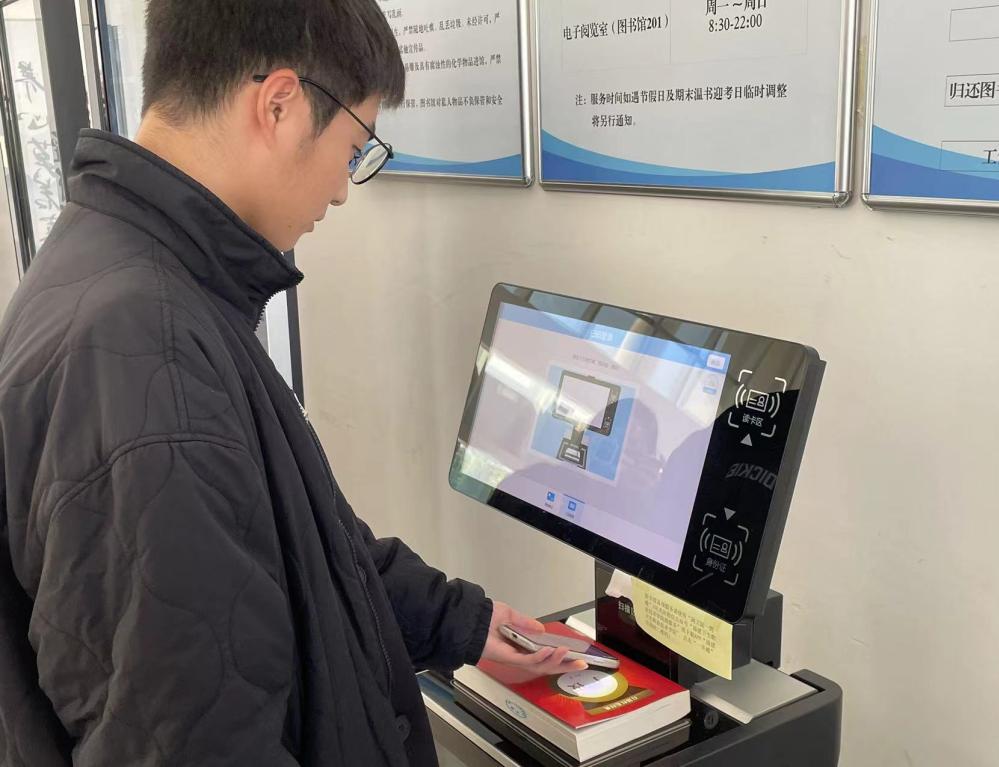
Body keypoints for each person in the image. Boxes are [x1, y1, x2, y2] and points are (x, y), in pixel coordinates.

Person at [0, 1, 584, 765]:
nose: (341, 191)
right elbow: (190, 744)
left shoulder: (137, 276)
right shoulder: (147, 349)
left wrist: (460, 622)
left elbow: (292, 544)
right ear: (279, 104)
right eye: (353, 149)